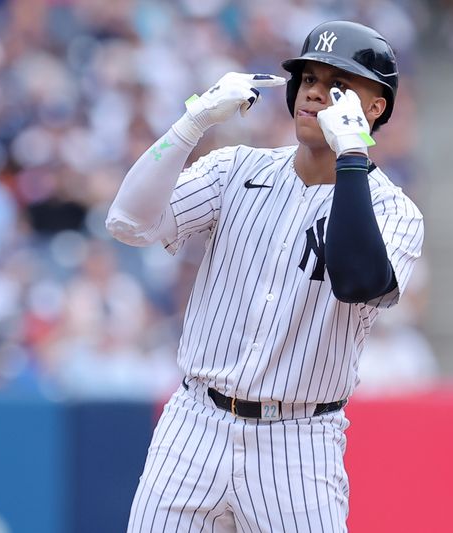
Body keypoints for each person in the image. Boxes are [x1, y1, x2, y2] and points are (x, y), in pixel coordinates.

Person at [106, 20, 423, 532]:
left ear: (375, 107)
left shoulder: (395, 212)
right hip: (195, 423)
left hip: (299, 441)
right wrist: (191, 126)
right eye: (309, 80)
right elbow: (128, 221)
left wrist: (350, 157)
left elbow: (358, 280)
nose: (316, 94)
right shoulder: (234, 169)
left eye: (338, 85)